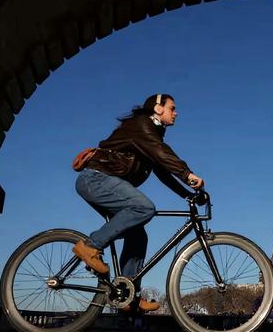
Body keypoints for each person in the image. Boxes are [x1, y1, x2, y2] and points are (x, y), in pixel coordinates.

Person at [72, 93, 204, 313]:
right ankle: (89, 246)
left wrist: (187, 194)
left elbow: (162, 170)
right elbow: (163, 155)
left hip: (105, 182)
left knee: (138, 234)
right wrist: (188, 174)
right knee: (144, 207)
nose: (176, 112)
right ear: (158, 108)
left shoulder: (151, 137)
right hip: (96, 178)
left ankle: (127, 296)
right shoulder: (142, 125)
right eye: (172, 108)